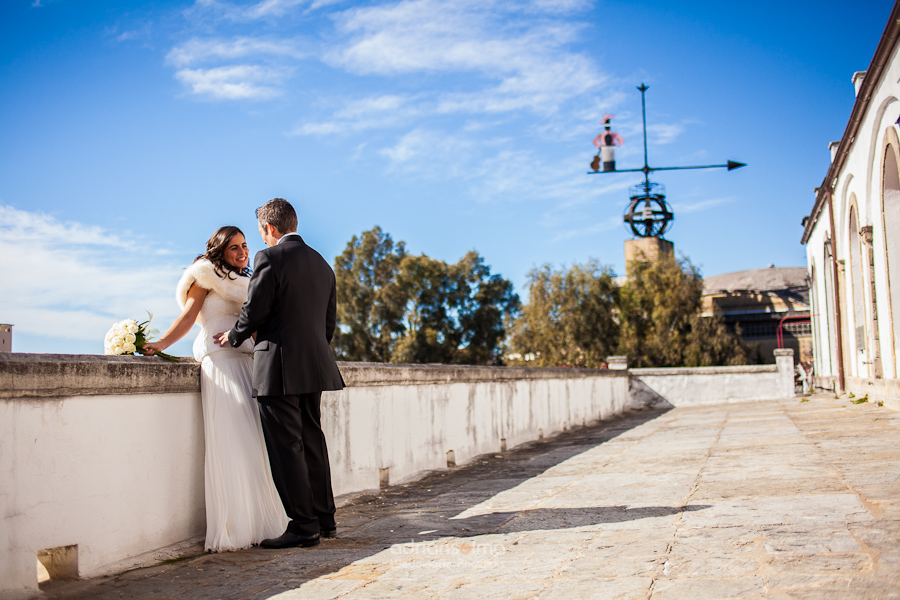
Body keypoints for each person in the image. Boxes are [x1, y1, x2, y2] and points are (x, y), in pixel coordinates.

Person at [142, 226, 288, 552]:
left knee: (255, 443)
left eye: (245, 246)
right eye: (234, 247)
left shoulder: (249, 284)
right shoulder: (205, 278)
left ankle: (261, 524)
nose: (242, 252)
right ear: (220, 250)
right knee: (231, 440)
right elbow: (187, 317)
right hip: (220, 365)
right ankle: (234, 527)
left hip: (248, 366)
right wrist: (161, 343)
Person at [213, 198, 345, 550]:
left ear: (270, 229)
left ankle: (303, 525)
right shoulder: (322, 263)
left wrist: (233, 336)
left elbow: (256, 308)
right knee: (312, 441)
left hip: (278, 366)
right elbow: (327, 323)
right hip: (314, 364)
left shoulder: (268, 258)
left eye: (261, 233)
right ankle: (325, 519)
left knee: (287, 447)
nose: (261, 240)